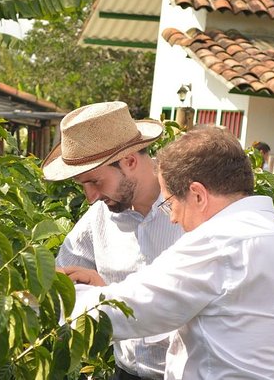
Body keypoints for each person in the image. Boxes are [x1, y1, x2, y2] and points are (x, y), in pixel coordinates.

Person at [65, 127, 274, 379]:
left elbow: (129, 311)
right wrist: (108, 293)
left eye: (170, 203)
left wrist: (51, 294)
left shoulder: (220, 242)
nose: (172, 219)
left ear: (198, 195)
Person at [41, 101, 185, 380]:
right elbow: (59, 283)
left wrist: (110, 295)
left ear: (129, 161)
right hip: (126, 372)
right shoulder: (99, 218)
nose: (91, 196)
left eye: (95, 182)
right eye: (83, 185)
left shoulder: (192, 211)